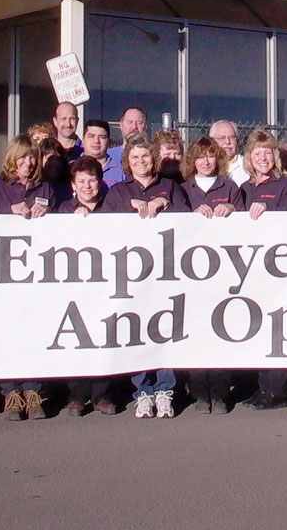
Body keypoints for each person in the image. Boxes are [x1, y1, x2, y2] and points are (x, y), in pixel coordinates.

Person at [100, 135, 188, 419]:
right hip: (131, 276)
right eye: (135, 157)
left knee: (164, 330)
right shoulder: (118, 192)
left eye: (146, 157)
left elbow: (191, 225)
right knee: (137, 331)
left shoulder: (171, 188)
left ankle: (165, 389)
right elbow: (101, 230)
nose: (141, 162)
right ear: (128, 161)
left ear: (155, 159)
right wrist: (130, 208)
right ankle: (142, 391)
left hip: (166, 273)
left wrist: (166, 203)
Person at [0, 134, 57, 421]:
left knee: (34, 331)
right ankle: (11, 391)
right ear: (12, 159)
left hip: (39, 276)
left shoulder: (47, 188)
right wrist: (7, 212)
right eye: (23, 157)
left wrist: (49, 213)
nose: (28, 162)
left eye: (33, 156)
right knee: (8, 332)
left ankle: (34, 390)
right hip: (5, 278)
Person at [237, 129, 287, 411]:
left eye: (267, 153)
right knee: (257, 327)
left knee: (276, 329)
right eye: (257, 153)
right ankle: (263, 387)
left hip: (278, 268)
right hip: (251, 268)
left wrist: (268, 210)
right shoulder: (243, 188)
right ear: (249, 158)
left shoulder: (285, 187)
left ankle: (277, 391)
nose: (263, 158)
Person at [180, 136, 245, 413]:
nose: (206, 162)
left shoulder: (230, 188)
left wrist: (232, 209)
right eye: (200, 157)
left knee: (220, 331)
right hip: (191, 273)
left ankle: (219, 393)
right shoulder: (183, 190)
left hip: (223, 271)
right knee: (195, 331)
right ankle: (199, 394)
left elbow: (248, 228)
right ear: (192, 161)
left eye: (210, 156)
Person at [56, 156, 118, 416]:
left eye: (92, 180)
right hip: (74, 285)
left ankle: (102, 395)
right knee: (76, 339)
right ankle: (77, 395)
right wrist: (72, 219)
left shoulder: (112, 209)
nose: (87, 186)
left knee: (103, 338)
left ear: (100, 182)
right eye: (81, 181)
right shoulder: (62, 210)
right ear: (73, 184)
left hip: (106, 284)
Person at [105, 106, 148, 179]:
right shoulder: (108, 157)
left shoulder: (152, 157)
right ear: (121, 126)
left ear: (145, 127)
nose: (134, 127)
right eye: (129, 122)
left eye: (139, 122)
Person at [82, 118, 124, 185]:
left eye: (102, 137)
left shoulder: (122, 171)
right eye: (91, 136)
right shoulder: (70, 169)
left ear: (108, 142)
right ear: (83, 141)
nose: (96, 141)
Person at [209, 119, 251, 185]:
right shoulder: (205, 166)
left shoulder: (249, 166)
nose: (228, 142)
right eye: (222, 138)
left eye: (232, 137)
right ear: (212, 141)